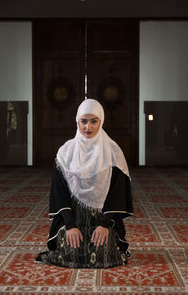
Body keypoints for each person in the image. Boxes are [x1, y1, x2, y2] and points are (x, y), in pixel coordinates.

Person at [36, 99, 133, 268]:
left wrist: (104, 225)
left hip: (103, 218)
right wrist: (70, 225)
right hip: (72, 216)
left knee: (102, 253)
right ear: (77, 121)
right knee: (71, 250)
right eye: (84, 121)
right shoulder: (65, 152)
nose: (88, 127)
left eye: (94, 121)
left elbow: (117, 194)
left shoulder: (113, 152)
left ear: (101, 121)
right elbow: (60, 193)